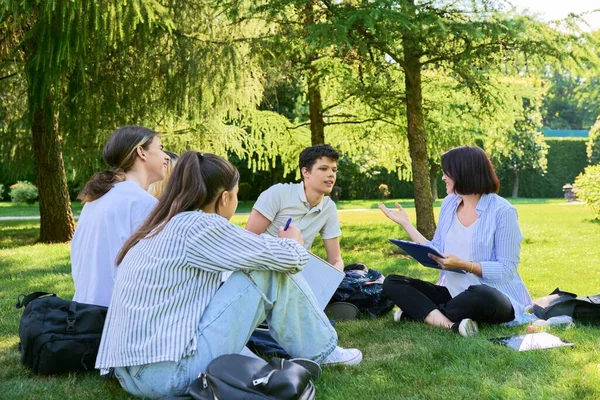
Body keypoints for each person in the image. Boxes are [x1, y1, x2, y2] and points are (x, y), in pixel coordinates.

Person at [95, 151, 362, 398]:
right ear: (225, 198)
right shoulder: (202, 225)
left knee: (253, 272)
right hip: (168, 375)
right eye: (235, 195)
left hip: (131, 373)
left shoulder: (162, 224)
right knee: (268, 271)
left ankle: (270, 356)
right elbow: (289, 258)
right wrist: (292, 240)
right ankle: (324, 351)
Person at [379, 145, 532, 337]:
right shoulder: (450, 203)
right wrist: (406, 224)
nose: (443, 177)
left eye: (447, 173)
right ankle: (449, 324)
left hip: (493, 295)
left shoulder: (503, 211)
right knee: (392, 282)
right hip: (453, 293)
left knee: (481, 294)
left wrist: (464, 265)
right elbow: (436, 249)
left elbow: (506, 269)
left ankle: (422, 312)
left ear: (464, 173)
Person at [71, 126, 170, 307]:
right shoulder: (141, 202)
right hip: (115, 317)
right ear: (141, 152)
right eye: (161, 148)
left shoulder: (96, 199)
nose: (167, 157)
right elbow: (160, 273)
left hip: (83, 311)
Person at [246, 144, 344, 271]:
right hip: (260, 269)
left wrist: (332, 280)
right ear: (305, 172)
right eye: (323, 169)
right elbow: (247, 241)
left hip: (295, 275)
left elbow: (335, 259)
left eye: (334, 170)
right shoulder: (278, 194)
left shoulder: (329, 207)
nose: (331, 174)